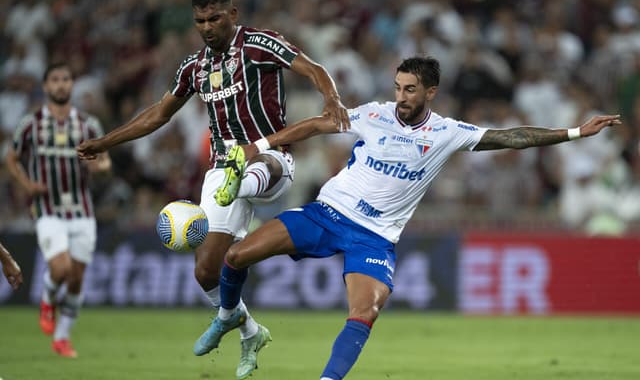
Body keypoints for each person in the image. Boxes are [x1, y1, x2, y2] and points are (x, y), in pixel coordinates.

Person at [203, 56, 621, 379]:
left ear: (431, 92)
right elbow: (317, 125)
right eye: (398, 87)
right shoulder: (374, 114)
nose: (400, 96)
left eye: (410, 90)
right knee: (237, 256)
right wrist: (259, 145)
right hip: (327, 214)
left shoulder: (447, 133)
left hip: (374, 236)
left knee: (365, 313)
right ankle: (232, 321)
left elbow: (511, 137)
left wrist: (574, 133)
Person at [76, 0, 348, 378]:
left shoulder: (259, 44)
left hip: (270, 156)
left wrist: (332, 98)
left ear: (232, 14)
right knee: (205, 271)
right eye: (200, 21)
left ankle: (241, 179)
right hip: (221, 169)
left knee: (254, 167)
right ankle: (250, 331)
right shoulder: (193, 67)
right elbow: (157, 115)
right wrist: (106, 141)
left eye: (214, 18)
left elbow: (314, 69)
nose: (207, 26)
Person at [5, 62, 112, 358]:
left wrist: (100, 166)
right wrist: (26, 184)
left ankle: (62, 337)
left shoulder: (88, 124)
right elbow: (11, 159)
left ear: (72, 84)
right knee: (61, 268)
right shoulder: (31, 123)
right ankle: (48, 298)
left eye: (66, 79)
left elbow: (105, 164)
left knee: (77, 278)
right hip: (47, 208)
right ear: (46, 86)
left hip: (82, 209)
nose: (61, 84)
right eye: (55, 80)